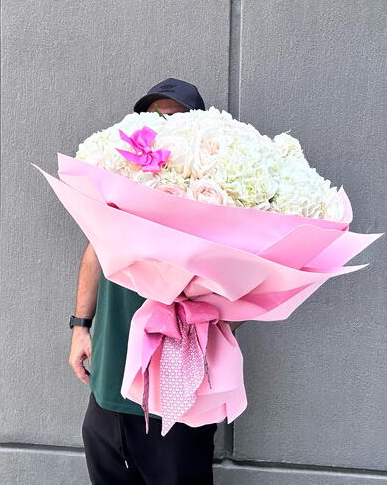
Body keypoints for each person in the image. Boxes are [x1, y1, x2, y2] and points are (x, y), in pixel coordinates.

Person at [69, 77, 244, 484]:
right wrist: (80, 328)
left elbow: (248, 285)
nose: (164, 125)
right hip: (108, 390)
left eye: (175, 117)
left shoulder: (215, 201)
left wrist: (214, 332)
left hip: (176, 402)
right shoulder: (119, 190)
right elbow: (94, 251)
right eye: (154, 116)